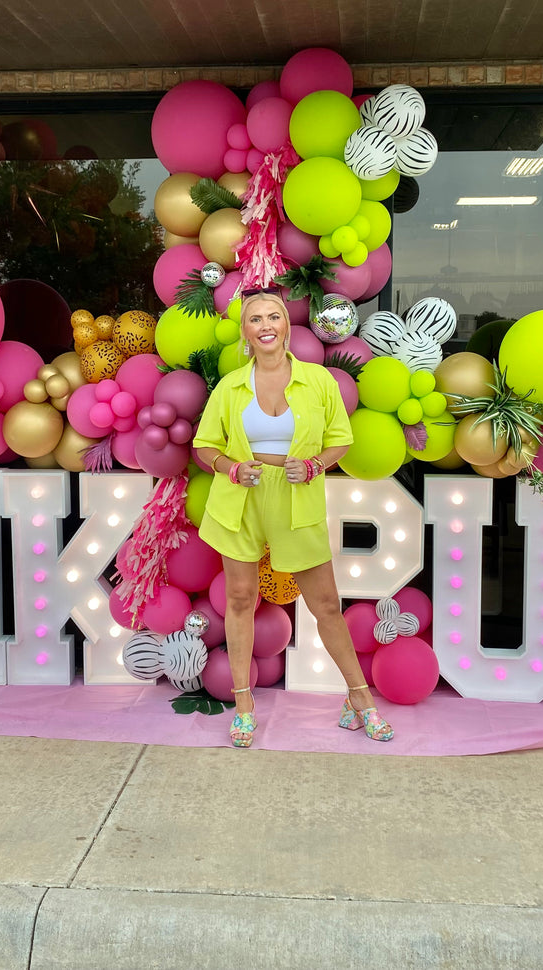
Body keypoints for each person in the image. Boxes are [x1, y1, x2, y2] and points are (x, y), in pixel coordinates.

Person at [193, 289, 394, 748]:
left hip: (296, 497)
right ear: (245, 332)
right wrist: (229, 466)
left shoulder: (319, 381)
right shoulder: (230, 387)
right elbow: (205, 445)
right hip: (240, 499)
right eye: (255, 319)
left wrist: (315, 464)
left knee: (325, 605)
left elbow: (340, 439)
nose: (265, 325)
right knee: (240, 601)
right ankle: (244, 705)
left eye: (274, 316)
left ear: (286, 325)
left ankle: (359, 698)